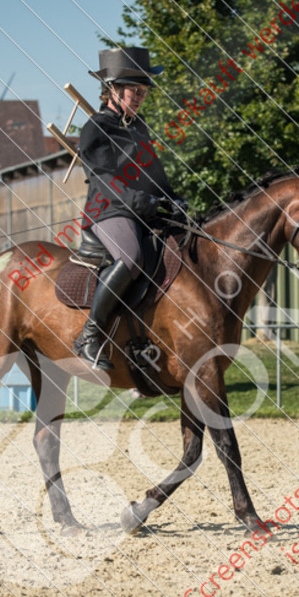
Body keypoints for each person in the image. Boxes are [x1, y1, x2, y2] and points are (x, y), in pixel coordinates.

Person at [71, 46, 188, 370]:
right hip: (108, 210)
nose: (139, 97)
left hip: (142, 209)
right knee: (132, 256)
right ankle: (89, 337)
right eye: (134, 91)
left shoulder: (139, 127)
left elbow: (154, 171)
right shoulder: (96, 128)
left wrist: (174, 200)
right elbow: (105, 179)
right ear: (112, 89)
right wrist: (139, 201)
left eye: (144, 92)